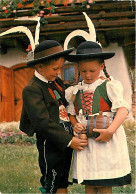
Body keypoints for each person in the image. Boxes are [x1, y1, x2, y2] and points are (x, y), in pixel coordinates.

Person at [19, 40, 88, 194]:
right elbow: (41, 123)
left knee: (62, 178)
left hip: (64, 137)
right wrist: (69, 140)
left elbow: (66, 100)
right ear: (40, 66)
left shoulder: (55, 81)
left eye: (60, 68)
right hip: (50, 142)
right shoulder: (32, 89)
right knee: (52, 179)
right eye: (55, 68)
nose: (58, 72)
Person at [65, 41, 132, 194]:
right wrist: (75, 124)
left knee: (103, 183)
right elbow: (72, 114)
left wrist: (110, 131)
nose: (87, 75)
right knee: (90, 183)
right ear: (78, 69)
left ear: (102, 66)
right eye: (83, 71)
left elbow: (123, 109)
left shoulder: (109, 86)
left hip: (106, 139)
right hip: (86, 141)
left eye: (92, 70)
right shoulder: (75, 90)